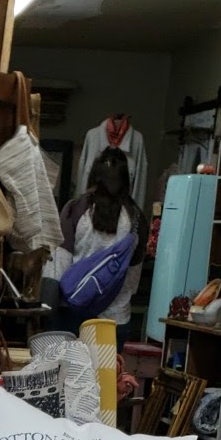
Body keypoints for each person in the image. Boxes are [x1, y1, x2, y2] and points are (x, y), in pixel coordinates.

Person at [57, 145, 149, 348]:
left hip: (74, 316)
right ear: (126, 180)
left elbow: (60, 266)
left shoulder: (75, 210)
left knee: (70, 369)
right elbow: (132, 282)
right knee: (109, 370)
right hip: (115, 321)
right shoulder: (137, 220)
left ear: (93, 175)